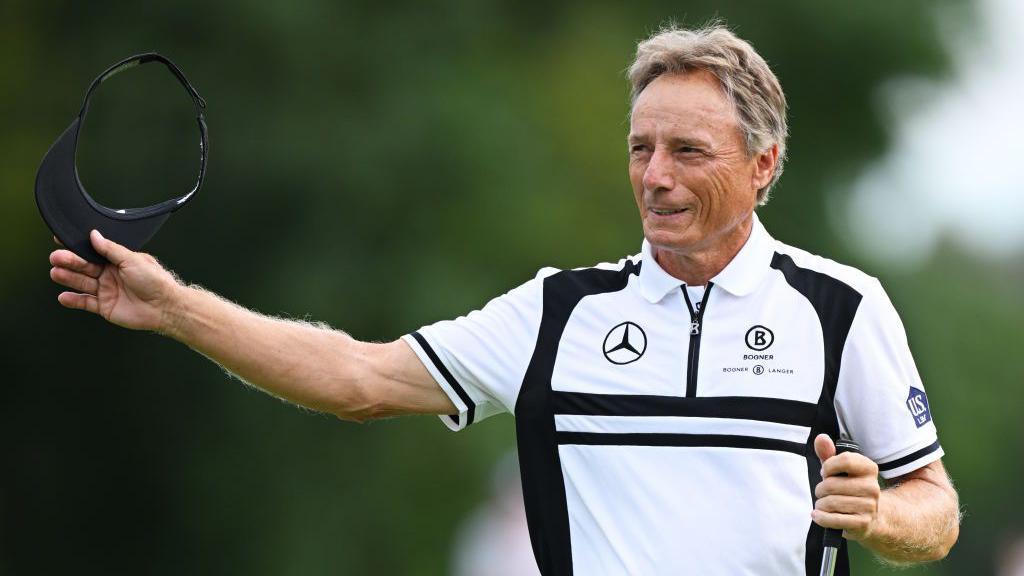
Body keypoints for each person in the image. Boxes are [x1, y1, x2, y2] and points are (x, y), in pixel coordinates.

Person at [48, 23, 959, 575]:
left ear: (762, 165)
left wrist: (879, 513)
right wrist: (175, 308)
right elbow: (358, 378)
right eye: (641, 148)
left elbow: (937, 510)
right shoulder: (560, 312)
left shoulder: (843, 307)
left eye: (689, 151)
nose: (655, 176)